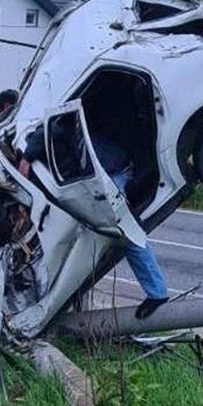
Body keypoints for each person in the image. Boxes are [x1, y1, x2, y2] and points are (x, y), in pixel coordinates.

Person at [18, 120, 170, 320]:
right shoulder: (48, 145)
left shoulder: (42, 136)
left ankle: (157, 293)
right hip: (97, 177)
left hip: (112, 173)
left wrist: (27, 158)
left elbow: (50, 132)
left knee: (125, 230)